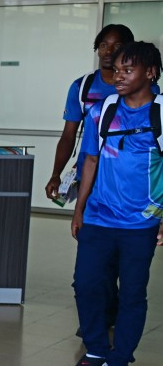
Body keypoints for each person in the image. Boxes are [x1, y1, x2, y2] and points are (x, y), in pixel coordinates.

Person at [69, 41, 163, 366]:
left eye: (128, 70)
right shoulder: (103, 110)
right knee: (87, 284)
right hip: (98, 217)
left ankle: (120, 361)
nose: (118, 76)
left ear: (150, 73)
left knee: (132, 292)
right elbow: (90, 161)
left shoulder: (160, 113)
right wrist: (79, 208)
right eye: (117, 69)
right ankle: (95, 351)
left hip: (141, 222)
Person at [46, 24, 136, 336]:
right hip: (90, 179)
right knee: (93, 255)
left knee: (119, 258)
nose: (109, 51)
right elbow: (68, 134)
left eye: (117, 45)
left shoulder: (136, 88)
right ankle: (98, 318)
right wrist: (56, 174)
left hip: (127, 184)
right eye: (104, 45)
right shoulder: (83, 87)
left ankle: (110, 312)